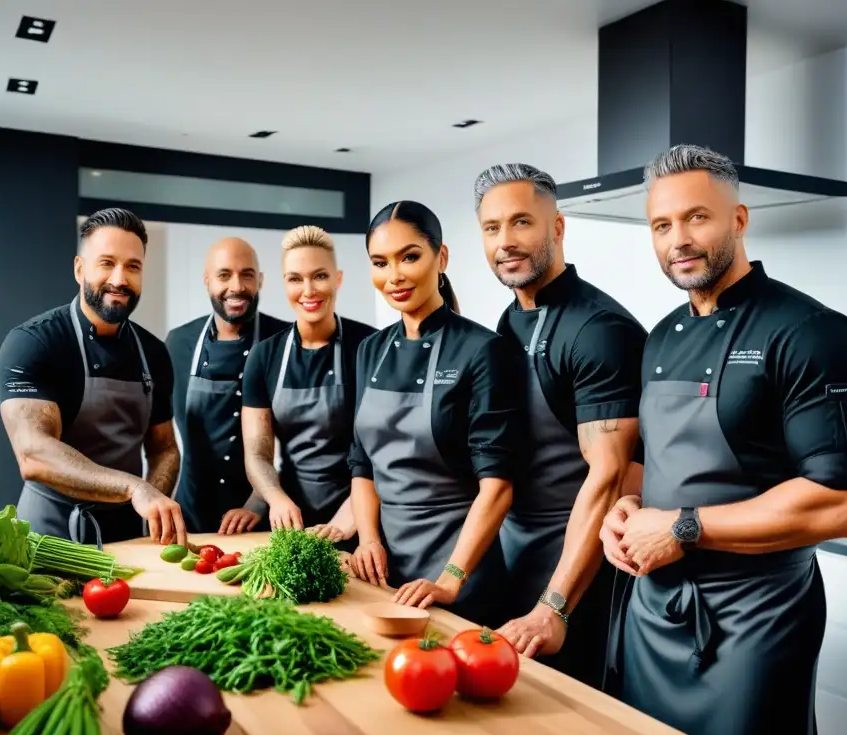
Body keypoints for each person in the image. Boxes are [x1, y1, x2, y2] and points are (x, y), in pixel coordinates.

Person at [601, 144, 847, 735]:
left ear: (739, 218)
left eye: (697, 217)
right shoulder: (661, 336)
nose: (679, 239)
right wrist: (623, 506)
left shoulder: (811, 333)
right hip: (655, 612)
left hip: (756, 621)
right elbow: (648, 456)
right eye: (661, 224)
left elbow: (840, 505)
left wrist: (683, 526)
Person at [473, 164, 645, 687]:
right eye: (492, 228)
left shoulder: (597, 330)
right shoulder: (510, 321)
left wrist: (555, 605)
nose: (506, 242)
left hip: (579, 579)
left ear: (557, 228)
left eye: (522, 222)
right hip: (517, 562)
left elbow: (610, 477)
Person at [348, 200, 520, 627]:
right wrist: (368, 541)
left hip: (464, 580)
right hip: (387, 576)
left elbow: (497, 486)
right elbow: (362, 464)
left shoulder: (482, 350)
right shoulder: (370, 349)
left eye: (410, 257)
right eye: (380, 262)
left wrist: (450, 579)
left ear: (441, 257)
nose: (395, 276)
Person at [0, 208, 185, 547]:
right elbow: (34, 453)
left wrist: (152, 501)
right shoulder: (34, 342)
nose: (119, 278)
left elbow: (165, 448)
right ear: (79, 269)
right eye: (106, 263)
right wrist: (133, 487)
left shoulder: (153, 352)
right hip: (50, 539)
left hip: (128, 537)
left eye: (133, 266)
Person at [241, 226, 377, 547]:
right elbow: (258, 454)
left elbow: (383, 452)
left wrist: (349, 521)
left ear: (338, 279)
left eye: (319, 276)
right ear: (283, 283)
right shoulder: (264, 356)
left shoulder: (370, 347)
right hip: (292, 522)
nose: (308, 290)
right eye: (295, 279)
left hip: (360, 519)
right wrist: (274, 498)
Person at [165, 237, 288, 535]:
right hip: (189, 517)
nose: (236, 286)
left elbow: (302, 448)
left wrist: (259, 503)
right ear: (207, 281)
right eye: (224, 275)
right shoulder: (178, 343)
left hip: (263, 518)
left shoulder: (284, 340)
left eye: (247, 274)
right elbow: (161, 440)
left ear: (259, 280)